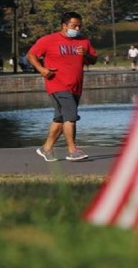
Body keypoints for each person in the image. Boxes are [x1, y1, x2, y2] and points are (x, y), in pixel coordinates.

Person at [26, 11, 98, 162]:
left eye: (79, 26)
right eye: (73, 26)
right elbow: (31, 55)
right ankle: (72, 150)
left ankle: (46, 148)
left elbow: (93, 60)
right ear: (64, 25)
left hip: (76, 87)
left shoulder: (84, 41)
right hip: (57, 85)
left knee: (60, 119)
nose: (77, 29)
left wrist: (85, 54)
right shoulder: (49, 40)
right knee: (70, 117)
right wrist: (42, 70)